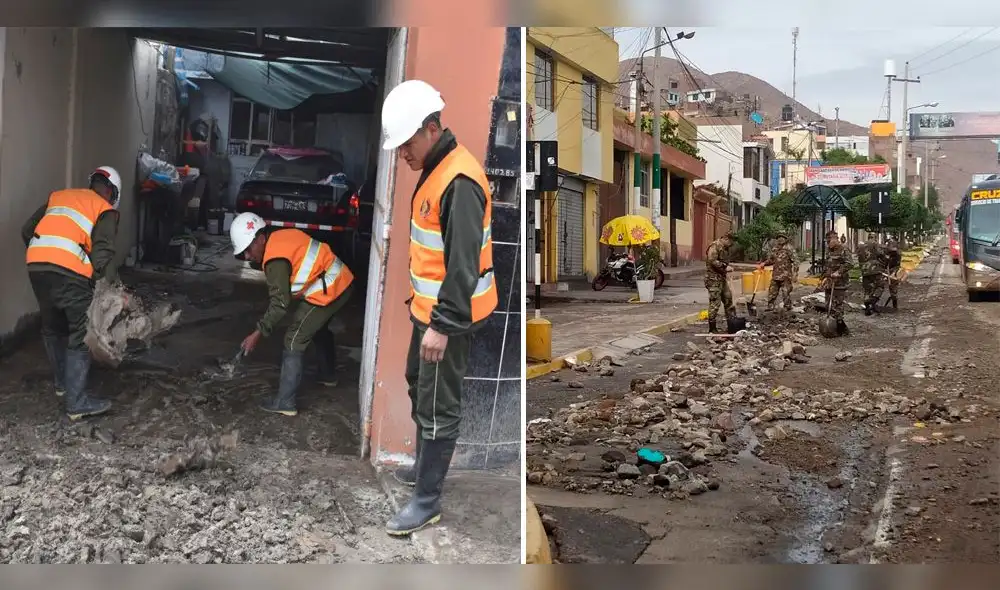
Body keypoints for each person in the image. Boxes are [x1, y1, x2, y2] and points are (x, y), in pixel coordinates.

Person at [380, 79, 498, 536]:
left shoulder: (459, 181)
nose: (402, 154)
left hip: (448, 318)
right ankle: (424, 470)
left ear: (430, 130)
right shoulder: (439, 169)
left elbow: (463, 265)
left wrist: (443, 325)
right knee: (418, 382)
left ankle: (426, 500)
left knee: (437, 402)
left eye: (406, 144)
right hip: (429, 312)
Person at [22, 166, 123, 420]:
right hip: (70, 272)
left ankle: (62, 385)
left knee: (52, 327)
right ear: (112, 193)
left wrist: (45, 256)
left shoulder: (60, 197)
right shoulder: (104, 209)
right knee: (81, 332)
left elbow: (27, 229)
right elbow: (102, 254)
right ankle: (77, 403)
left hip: (36, 265)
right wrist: (103, 286)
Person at [229, 212, 354, 416]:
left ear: (261, 238)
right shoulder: (278, 238)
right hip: (340, 280)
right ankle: (328, 375)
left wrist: (257, 334)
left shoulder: (274, 260)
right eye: (242, 254)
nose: (247, 257)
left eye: (248, 249)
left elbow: (280, 304)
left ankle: (285, 402)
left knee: (294, 338)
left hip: (330, 288)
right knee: (317, 326)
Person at [822, 230, 854, 335]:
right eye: (827, 241)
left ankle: (841, 328)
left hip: (840, 282)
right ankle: (832, 327)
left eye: (829, 240)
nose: (828, 243)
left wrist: (839, 272)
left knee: (837, 306)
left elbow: (850, 263)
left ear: (835, 239)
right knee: (828, 306)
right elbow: (828, 265)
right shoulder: (828, 250)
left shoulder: (844, 249)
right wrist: (824, 277)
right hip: (829, 281)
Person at [705, 232, 736, 333]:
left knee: (728, 299)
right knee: (715, 303)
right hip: (713, 279)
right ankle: (712, 328)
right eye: (731, 242)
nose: (731, 245)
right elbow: (712, 260)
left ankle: (732, 324)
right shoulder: (715, 246)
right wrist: (725, 267)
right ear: (726, 239)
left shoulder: (725, 248)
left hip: (721, 278)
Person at [757, 232, 796, 312]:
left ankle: (787, 306)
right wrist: (763, 264)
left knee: (786, 292)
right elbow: (771, 260)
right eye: (778, 237)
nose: (780, 239)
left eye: (782, 237)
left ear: (785, 239)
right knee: (772, 291)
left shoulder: (789, 249)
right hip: (776, 275)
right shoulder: (775, 249)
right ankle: (770, 306)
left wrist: (795, 273)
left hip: (786, 276)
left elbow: (796, 261)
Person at [859, 239, 887, 316]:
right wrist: (885, 262)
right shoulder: (875, 244)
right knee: (880, 286)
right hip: (874, 269)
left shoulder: (861, 246)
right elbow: (881, 255)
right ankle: (872, 301)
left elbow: (859, 258)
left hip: (864, 270)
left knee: (867, 289)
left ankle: (868, 305)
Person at [884, 238, 902, 309]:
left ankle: (894, 303)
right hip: (885, 270)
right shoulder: (886, 252)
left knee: (893, 287)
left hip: (894, 270)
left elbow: (898, 265)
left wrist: (894, 272)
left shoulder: (898, 254)